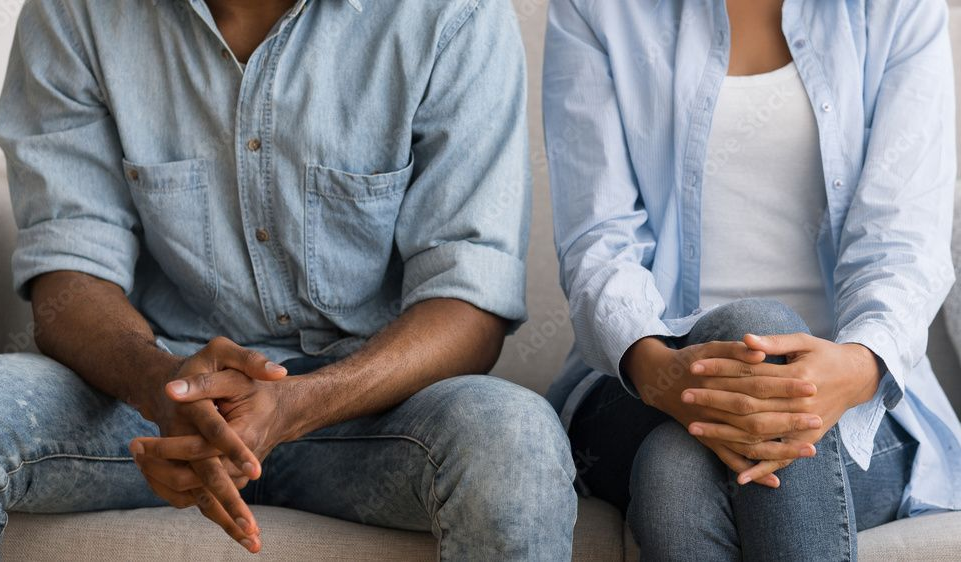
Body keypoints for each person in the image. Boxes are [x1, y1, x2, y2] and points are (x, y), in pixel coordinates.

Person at [0, 1, 577, 559]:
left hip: (373, 410)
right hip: (149, 405)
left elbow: (468, 302)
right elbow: (70, 275)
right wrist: (164, 386)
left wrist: (293, 405)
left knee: (513, 438)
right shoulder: (73, 12)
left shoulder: (455, 14)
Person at [544, 0, 961, 559]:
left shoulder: (898, 8)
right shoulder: (596, 8)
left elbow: (903, 239)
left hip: (851, 392)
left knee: (676, 472)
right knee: (757, 331)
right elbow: (597, 238)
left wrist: (856, 368)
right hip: (645, 381)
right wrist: (661, 370)